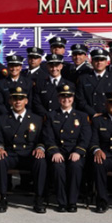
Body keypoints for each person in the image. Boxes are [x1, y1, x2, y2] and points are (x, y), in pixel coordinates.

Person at [0, 87, 46, 213]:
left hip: (29, 153)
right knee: (0, 160)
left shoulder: (36, 119)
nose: (18, 102)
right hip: (11, 153)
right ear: (10, 101)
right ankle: (3, 198)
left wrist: (40, 148)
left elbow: (42, 138)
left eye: (21, 99)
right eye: (14, 99)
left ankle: (39, 199)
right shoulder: (2, 119)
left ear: (26, 101)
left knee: (41, 161)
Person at [42, 84, 91, 213]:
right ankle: (61, 202)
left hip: (74, 151)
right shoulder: (51, 115)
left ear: (73, 98)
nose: (66, 99)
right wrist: (54, 151)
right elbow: (48, 137)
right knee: (58, 167)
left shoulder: (81, 116)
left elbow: (85, 137)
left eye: (69, 96)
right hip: (58, 150)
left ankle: (72, 201)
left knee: (75, 166)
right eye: (63, 96)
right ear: (58, 98)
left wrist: (78, 151)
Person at [75, 48, 112, 118]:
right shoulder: (83, 78)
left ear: (107, 62)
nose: (99, 63)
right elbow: (80, 100)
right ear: (91, 62)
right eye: (96, 60)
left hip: (108, 116)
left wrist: (107, 114)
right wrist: (93, 113)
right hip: (89, 116)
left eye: (102, 60)